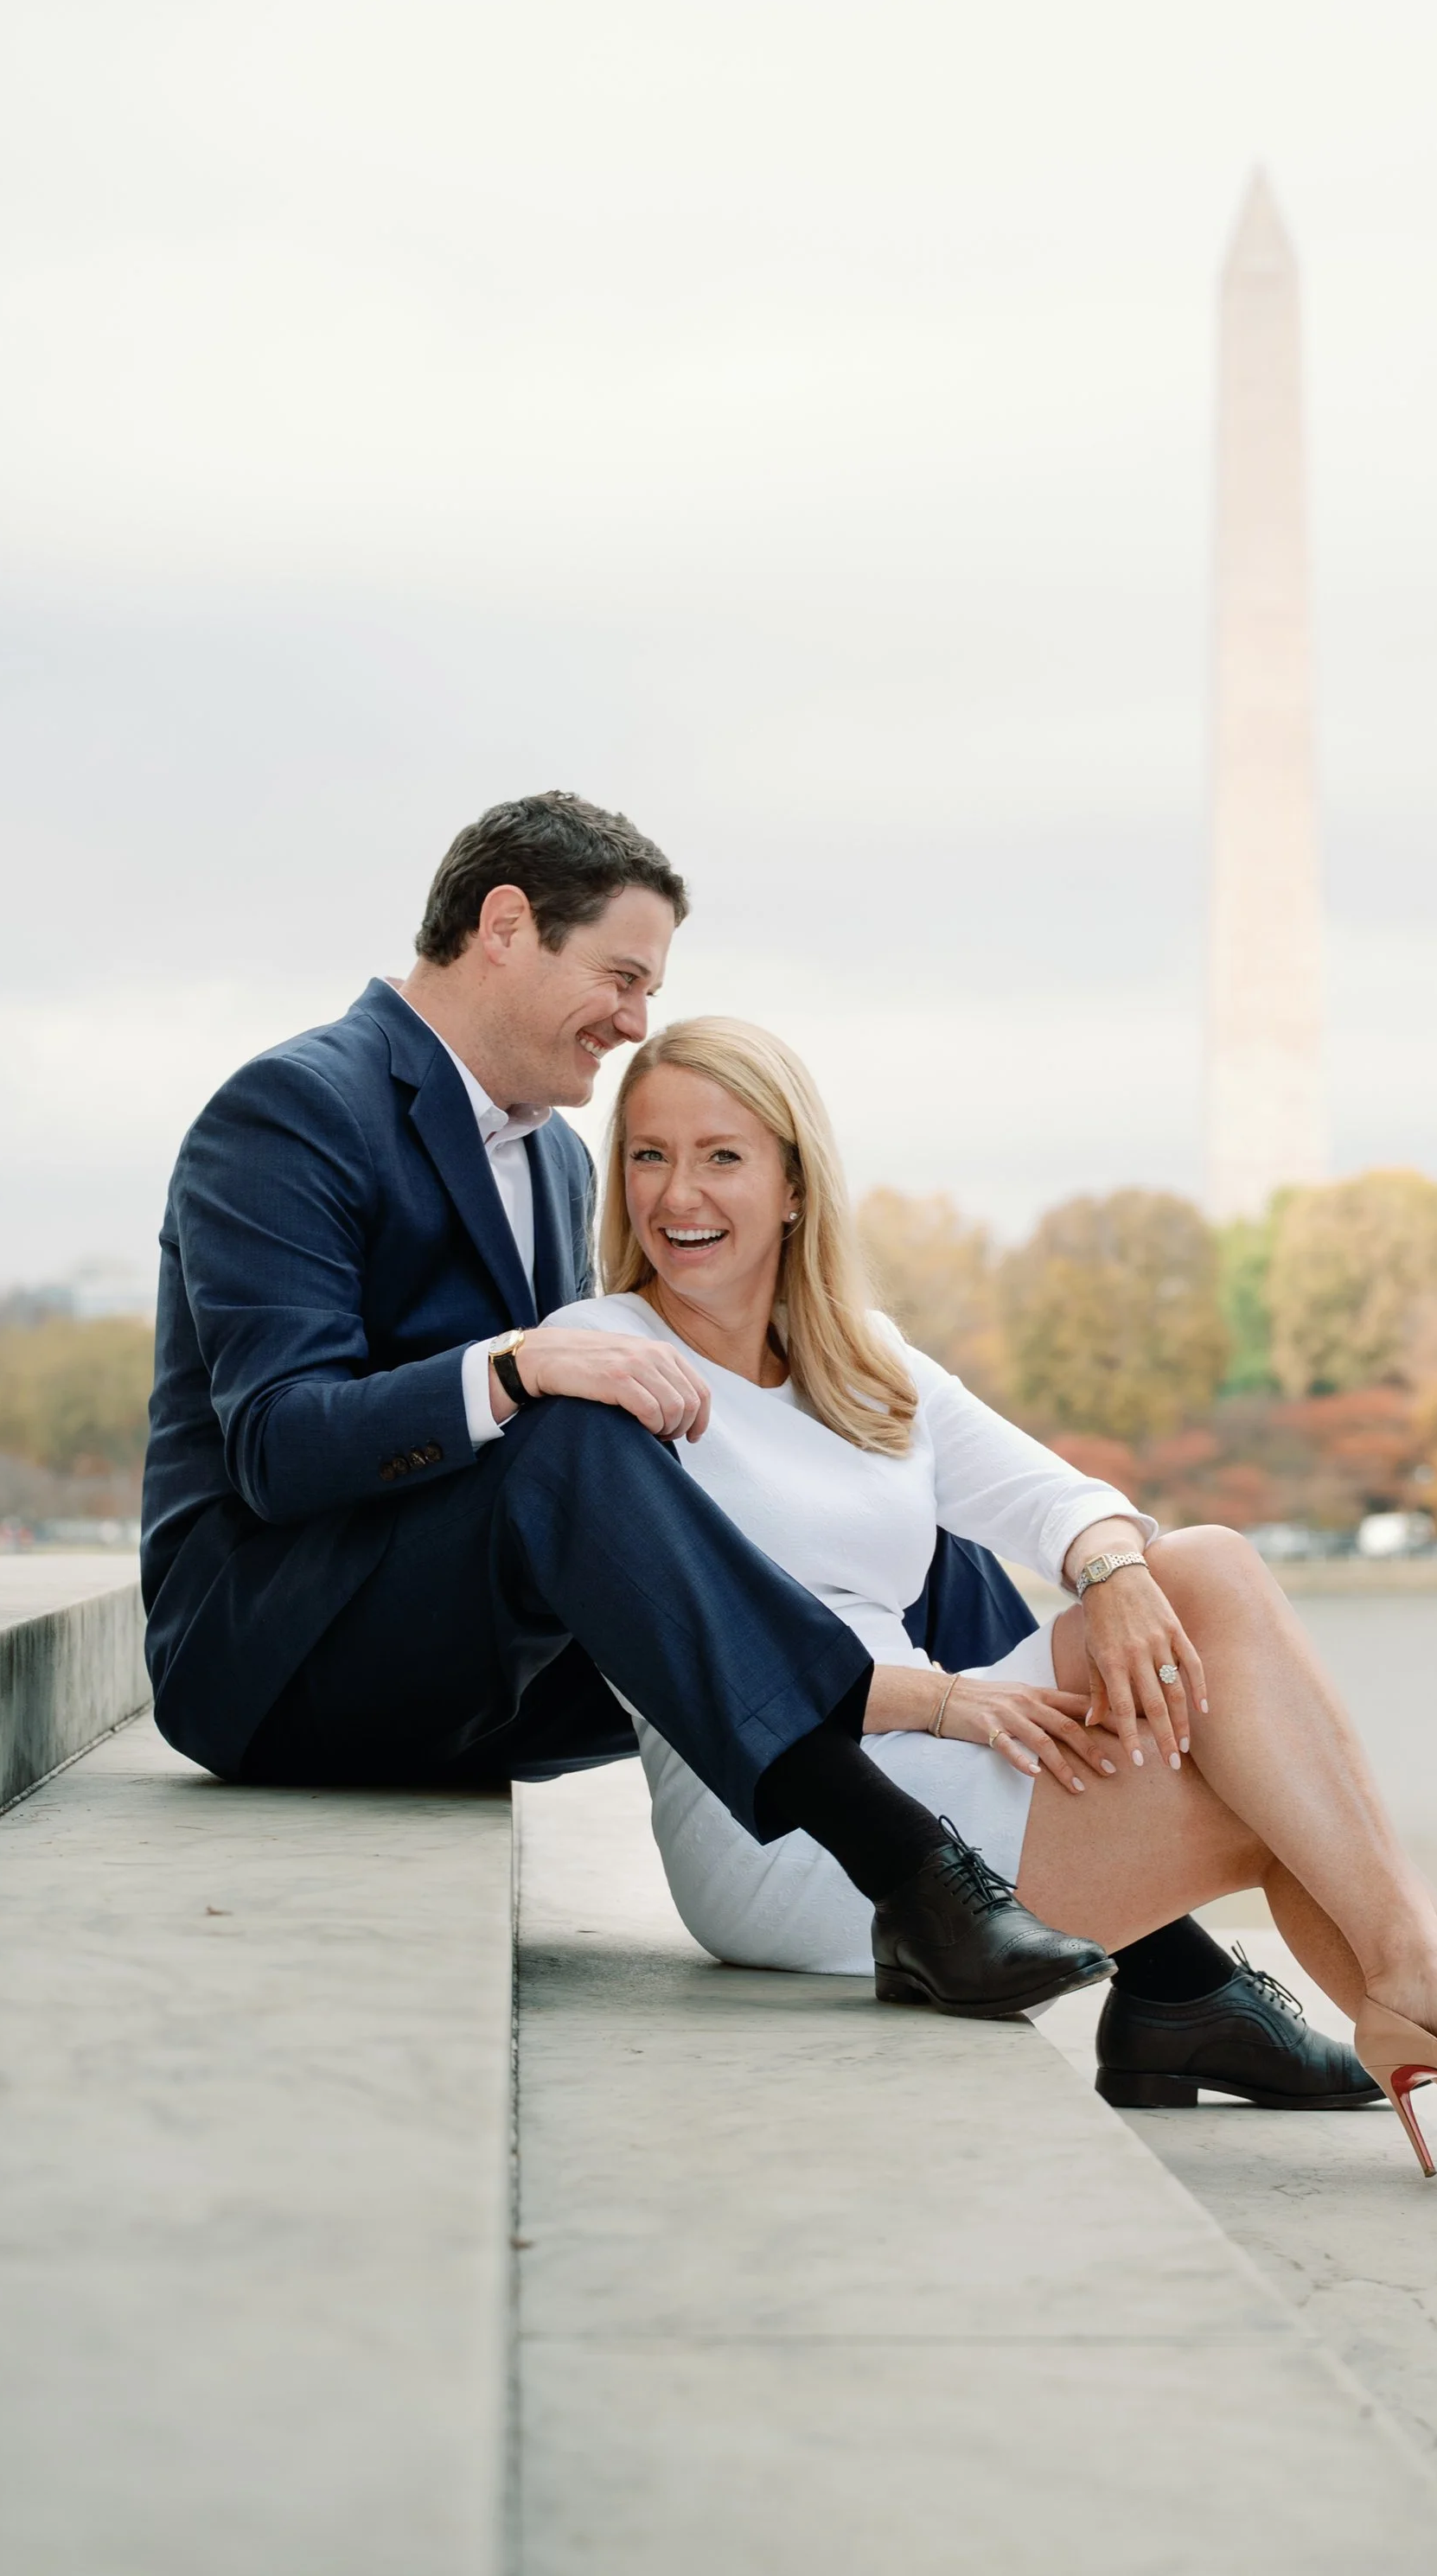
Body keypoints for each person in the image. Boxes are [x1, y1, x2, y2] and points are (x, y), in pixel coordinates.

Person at [544, 1011, 1437, 2315]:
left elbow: (1064, 1497)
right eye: (649, 1157)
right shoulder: (610, 1359)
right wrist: (958, 1697)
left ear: (793, 1182)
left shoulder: (861, 1358)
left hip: (945, 1754)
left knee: (1200, 1570)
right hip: (801, 1828)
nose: (677, 1196)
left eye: (720, 1157)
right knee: (1282, 1794)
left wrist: (1114, 1570)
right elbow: (691, 1651)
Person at [143, 787, 1363, 2095]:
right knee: (569, 1436)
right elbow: (274, 1442)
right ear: (506, 926)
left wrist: (1106, 1560)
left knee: (907, 1513)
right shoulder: (291, 1107)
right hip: (283, 1657)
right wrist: (513, 1365)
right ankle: (913, 1875)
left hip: (493, 1651)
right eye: (619, 974)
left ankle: (1176, 1979)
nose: (635, 1018)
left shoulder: (552, 1159)